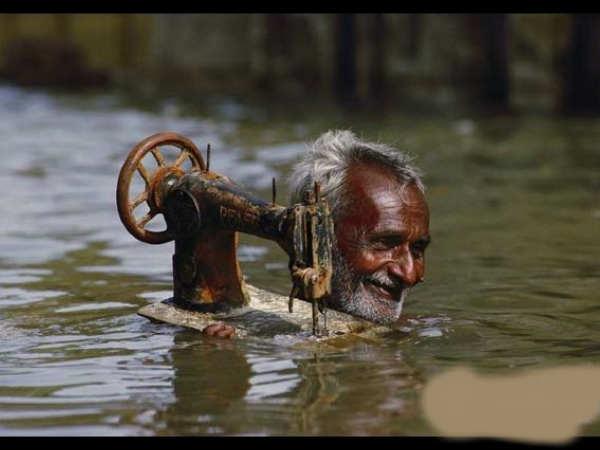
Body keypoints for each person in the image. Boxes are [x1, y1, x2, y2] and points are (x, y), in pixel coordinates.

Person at [204, 130, 430, 337]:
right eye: (383, 243)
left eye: (418, 249)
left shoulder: (421, 330)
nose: (409, 274)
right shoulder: (240, 336)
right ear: (319, 235)